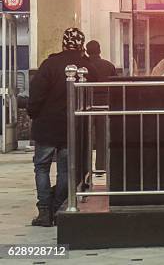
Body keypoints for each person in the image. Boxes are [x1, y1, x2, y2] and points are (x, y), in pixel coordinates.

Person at [27, 28, 97, 226]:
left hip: (46, 127)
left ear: (63, 43)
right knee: (65, 170)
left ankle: (44, 212)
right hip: (71, 128)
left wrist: (33, 113)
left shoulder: (49, 64)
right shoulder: (85, 66)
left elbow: (36, 94)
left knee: (42, 167)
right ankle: (58, 208)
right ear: (81, 44)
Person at [85, 40, 117, 172]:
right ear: (100, 50)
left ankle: (85, 167)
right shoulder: (108, 65)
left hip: (86, 103)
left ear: (87, 51)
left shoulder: (84, 66)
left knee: (85, 137)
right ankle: (101, 166)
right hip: (104, 103)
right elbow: (115, 85)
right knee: (102, 138)